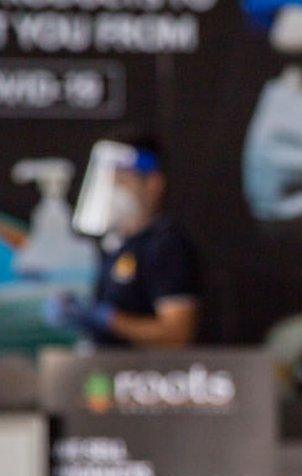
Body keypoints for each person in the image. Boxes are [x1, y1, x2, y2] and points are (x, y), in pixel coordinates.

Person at [45, 133, 199, 348]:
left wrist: (109, 320)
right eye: (107, 182)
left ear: (153, 184)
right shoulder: (115, 247)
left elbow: (176, 334)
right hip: (106, 372)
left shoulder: (167, 245)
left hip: (147, 378)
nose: (111, 192)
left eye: (121, 181)